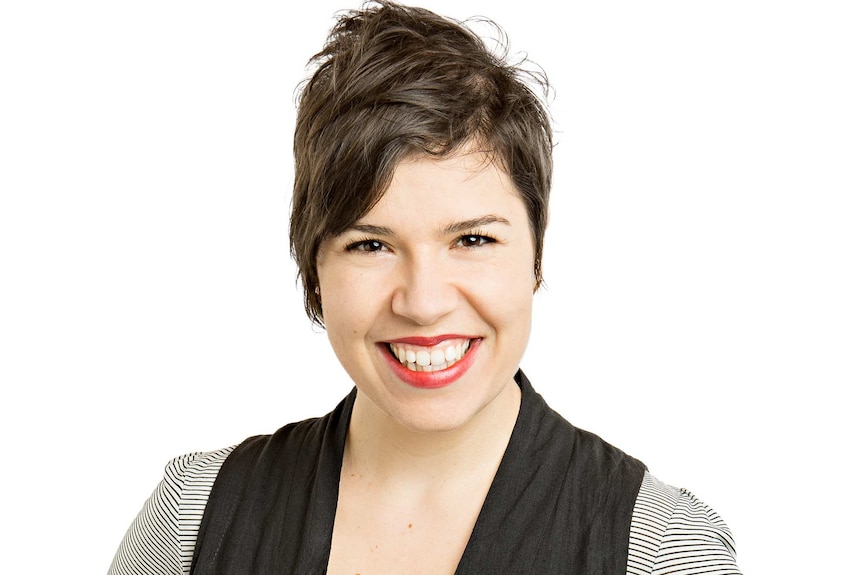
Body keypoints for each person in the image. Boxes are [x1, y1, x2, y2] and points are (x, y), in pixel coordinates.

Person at [109, 2, 742, 573]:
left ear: (536, 256)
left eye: (472, 240)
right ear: (315, 268)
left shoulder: (657, 548)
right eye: (371, 245)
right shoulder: (193, 520)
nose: (424, 301)